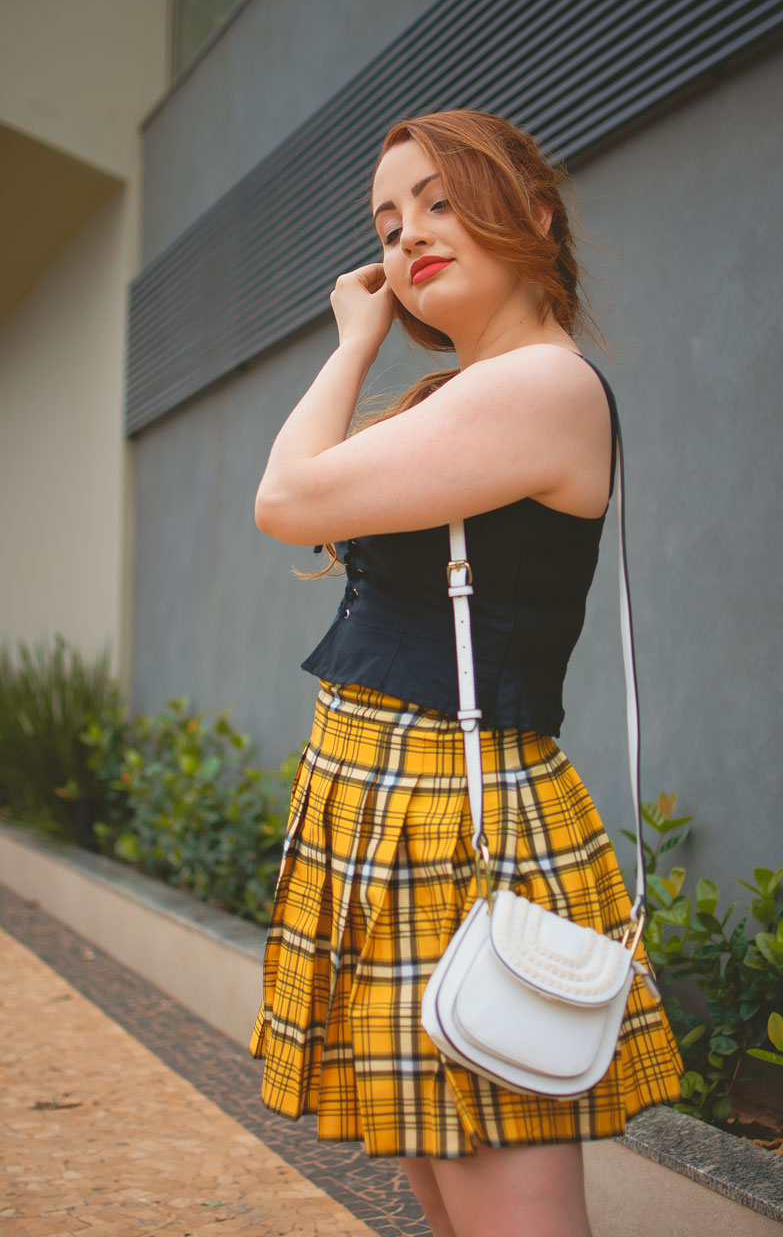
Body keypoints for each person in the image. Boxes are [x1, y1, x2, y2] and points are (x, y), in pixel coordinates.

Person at [249, 109, 683, 1237]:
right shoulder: (466, 396)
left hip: (453, 826)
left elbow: (287, 499)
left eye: (440, 201)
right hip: (391, 820)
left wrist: (352, 339)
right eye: (388, 224)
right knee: (454, 1213)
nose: (407, 238)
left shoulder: (542, 385)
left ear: (532, 211)